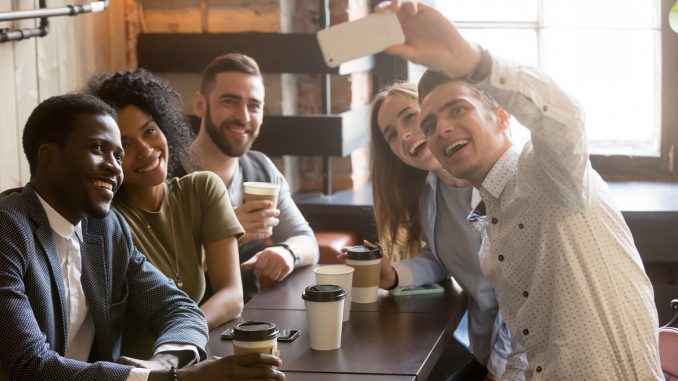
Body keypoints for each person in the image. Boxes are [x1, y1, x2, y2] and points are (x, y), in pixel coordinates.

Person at [381, 2, 663, 379]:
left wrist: (473, 62)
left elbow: (565, 117)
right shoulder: (489, 234)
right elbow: (526, 344)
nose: (440, 129)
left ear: (500, 117)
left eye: (457, 110)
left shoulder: (543, 170)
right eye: (430, 124)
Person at [0, 93, 284, 380]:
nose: (114, 166)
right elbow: (28, 365)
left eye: (118, 155)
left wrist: (165, 362)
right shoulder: (8, 230)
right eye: (98, 148)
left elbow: (179, 308)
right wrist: (174, 379)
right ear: (48, 155)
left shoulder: (107, 229)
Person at [87, 69, 245, 357]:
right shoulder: (105, 222)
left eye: (149, 131)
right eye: (126, 145)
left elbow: (233, 296)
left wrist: (182, 338)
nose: (146, 151)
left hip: (188, 356)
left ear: (165, 127)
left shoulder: (201, 189)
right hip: (137, 370)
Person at [369, 81, 517, 380]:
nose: (405, 135)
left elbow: (523, 298)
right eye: (392, 135)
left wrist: (500, 372)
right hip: (483, 352)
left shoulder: (506, 185)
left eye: (409, 117)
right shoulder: (429, 195)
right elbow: (442, 257)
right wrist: (395, 275)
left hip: (521, 363)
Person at [177, 53, 318, 300]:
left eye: (254, 106)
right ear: (200, 105)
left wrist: (287, 253)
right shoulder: (167, 174)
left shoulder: (261, 169)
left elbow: (307, 241)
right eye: (230, 101)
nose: (243, 117)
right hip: (183, 325)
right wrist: (227, 233)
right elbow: (161, 274)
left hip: (249, 321)